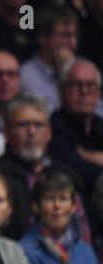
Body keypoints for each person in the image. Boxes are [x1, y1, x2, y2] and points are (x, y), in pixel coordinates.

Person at [0, 92, 91, 241]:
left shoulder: (67, 174)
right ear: (6, 132)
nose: (31, 132)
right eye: (22, 125)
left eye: (38, 125)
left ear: (48, 133)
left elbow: (83, 229)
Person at [20, 169, 103, 264]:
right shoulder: (24, 251)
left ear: (73, 207)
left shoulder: (85, 249)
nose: (57, 206)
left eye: (63, 199)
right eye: (50, 199)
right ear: (36, 206)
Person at [50, 58, 103, 191]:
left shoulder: (100, 124)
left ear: (99, 93)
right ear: (61, 90)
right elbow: (83, 175)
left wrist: (90, 157)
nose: (84, 92)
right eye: (76, 84)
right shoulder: (53, 128)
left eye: (90, 85)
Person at [20, 5, 79, 114]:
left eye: (75, 35)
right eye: (65, 35)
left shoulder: (83, 68)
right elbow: (48, 118)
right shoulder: (26, 76)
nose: (73, 43)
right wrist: (65, 76)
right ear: (43, 38)